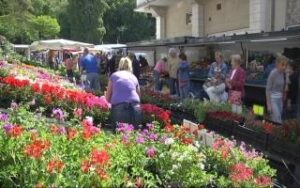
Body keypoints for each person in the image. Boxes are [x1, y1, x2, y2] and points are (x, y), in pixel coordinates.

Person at [105, 57, 142, 129]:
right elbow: (139, 97)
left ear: (119, 65)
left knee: (118, 136)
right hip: (135, 108)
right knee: (134, 136)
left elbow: (108, 97)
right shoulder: (133, 77)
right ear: (130, 66)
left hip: (119, 108)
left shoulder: (114, 75)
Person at [266, 55, 289, 124]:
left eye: (285, 65)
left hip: (280, 100)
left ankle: (274, 133)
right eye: (282, 65)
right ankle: (277, 133)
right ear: (277, 64)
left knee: (278, 118)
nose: (284, 67)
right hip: (273, 99)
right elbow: (268, 90)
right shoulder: (273, 74)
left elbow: (286, 85)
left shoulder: (285, 73)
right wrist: (269, 105)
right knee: (277, 118)